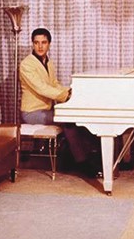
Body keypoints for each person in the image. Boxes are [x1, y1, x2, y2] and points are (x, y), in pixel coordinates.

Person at [19, 27, 100, 176]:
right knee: (68, 121)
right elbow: (42, 88)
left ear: (49, 44)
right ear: (32, 44)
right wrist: (66, 96)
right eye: (36, 43)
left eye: (44, 42)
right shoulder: (26, 65)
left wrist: (71, 90)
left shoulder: (49, 62)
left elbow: (54, 84)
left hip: (47, 109)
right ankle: (81, 162)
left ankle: (83, 157)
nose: (40, 46)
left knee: (80, 121)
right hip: (32, 112)